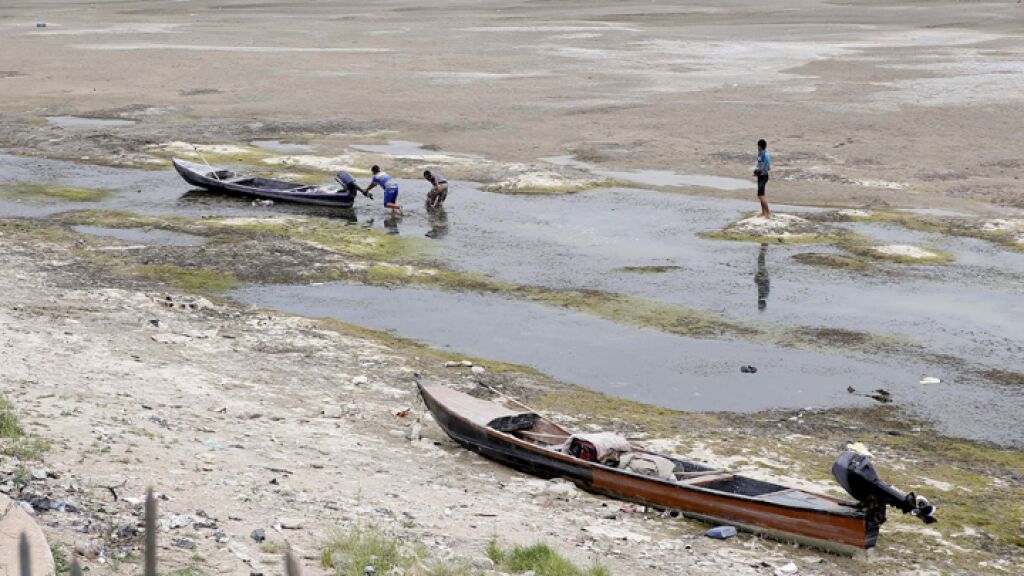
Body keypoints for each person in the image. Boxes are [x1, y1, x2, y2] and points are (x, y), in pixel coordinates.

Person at [754, 139, 771, 218]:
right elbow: (769, 168)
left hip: (763, 176)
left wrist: (757, 172)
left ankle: (767, 213)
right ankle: (763, 212)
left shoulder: (763, 155)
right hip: (763, 175)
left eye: (757, 145)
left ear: (760, 146)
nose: (757, 147)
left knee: (761, 195)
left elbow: (763, 166)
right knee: (761, 194)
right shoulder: (763, 154)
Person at [755, 243, 770, 311]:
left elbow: (763, 284)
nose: (757, 303)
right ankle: (764, 247)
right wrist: (757, 278)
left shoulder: (763, 295)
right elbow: (764, 284)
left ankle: (764, 247)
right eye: (759, 305)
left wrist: (757, 279)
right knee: (760, 260)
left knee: (760, 260)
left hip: (763, 275)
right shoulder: (763, 295)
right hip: (763, 274)